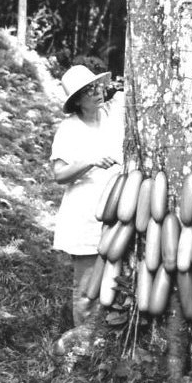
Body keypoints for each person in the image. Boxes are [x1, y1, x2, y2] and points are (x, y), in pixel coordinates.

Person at [50, 63, 125, 328]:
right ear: (77, 102)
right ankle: (82, 341)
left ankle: (106, 337)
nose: (96, 92)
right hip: (85, 214)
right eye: (88, 90)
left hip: (119, 210)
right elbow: (59, 175)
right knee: (87, 285)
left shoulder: (113, 114)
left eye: (97, 86)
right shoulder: (69, 128)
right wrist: (89, 161)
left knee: (117, 278)